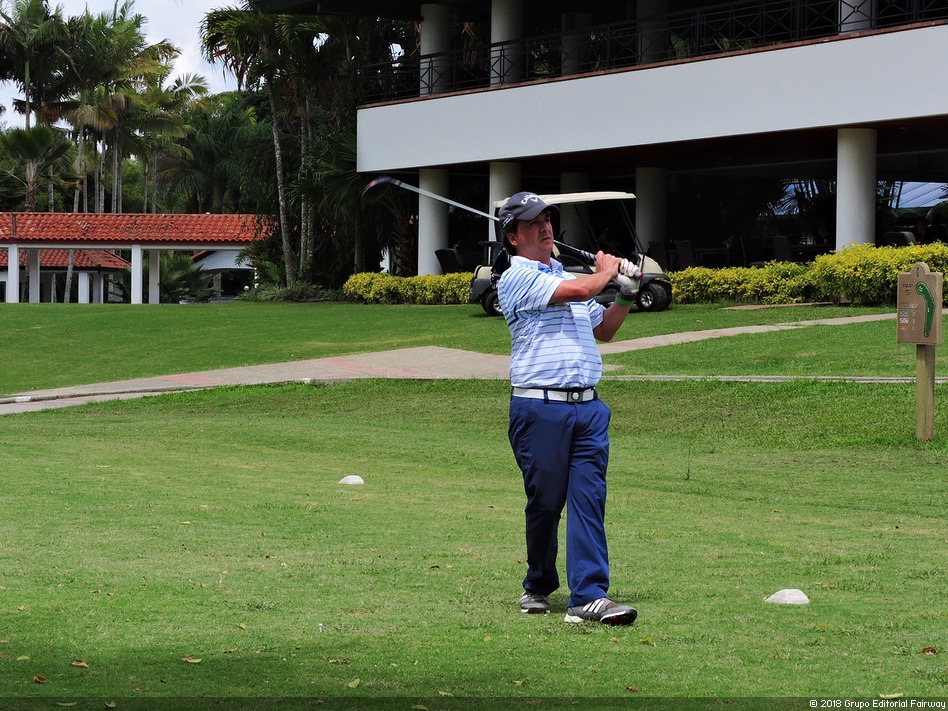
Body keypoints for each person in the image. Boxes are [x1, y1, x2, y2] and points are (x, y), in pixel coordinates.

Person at [496, 191, 639, 626]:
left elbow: (605, 329)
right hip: (539, 409)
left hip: (588, 409)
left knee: (588, 499)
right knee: (545, 503)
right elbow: (582, 288)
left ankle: (589, 595)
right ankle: (538, 583)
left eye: (547, 220)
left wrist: (626, 293)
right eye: (532, 223)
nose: (545, 228)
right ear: (513, 238)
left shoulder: (561, 276)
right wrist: (606, 271)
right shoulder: (517, 277)